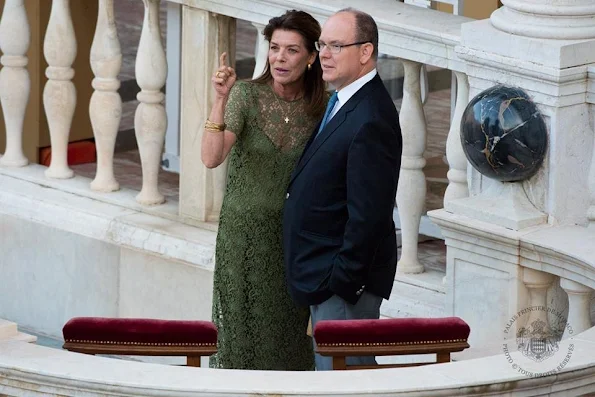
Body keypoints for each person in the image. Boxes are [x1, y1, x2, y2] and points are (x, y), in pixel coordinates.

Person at [202, 10, 328, 370]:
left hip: (293, 242)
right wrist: (220, 99)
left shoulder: (322, 107)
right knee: (240, 332)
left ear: (310, 57)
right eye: (274, 48)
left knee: (287, 335)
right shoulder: (246, 95)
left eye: (291, 50)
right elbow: (211, 158)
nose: (280, 58)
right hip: (241, 239)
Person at [283, 8, 402, 370]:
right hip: (324, 276)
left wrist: (340, 282)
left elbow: (369, 215)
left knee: (345, 383)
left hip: (343, 287)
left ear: (365, 52)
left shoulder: (372, 117)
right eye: (322, 45)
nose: (324, 55)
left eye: (336, 45)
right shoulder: (342, 100)